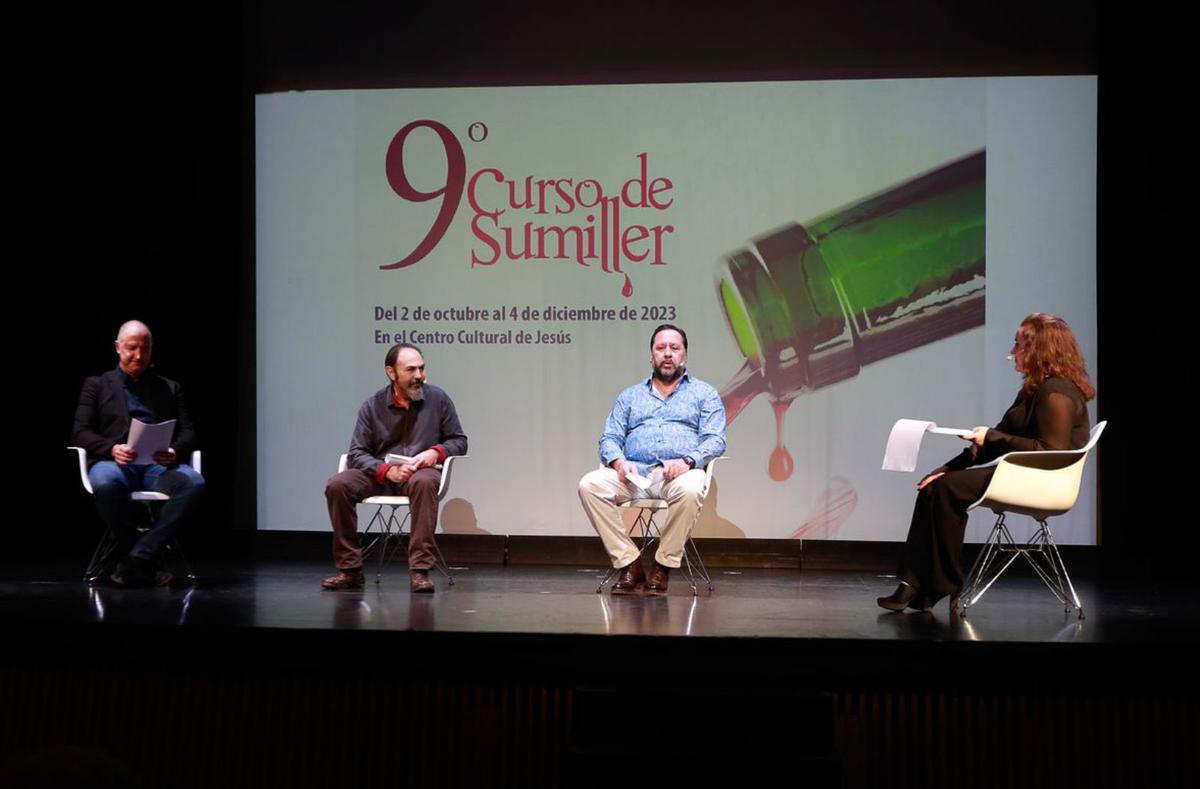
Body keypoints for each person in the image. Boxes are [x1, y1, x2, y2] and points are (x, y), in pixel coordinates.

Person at [878, 313, 1095, 612]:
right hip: (1021, 473)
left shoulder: (1056, 393)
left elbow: (1048, 451)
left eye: (1018, 344)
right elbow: (996, 441)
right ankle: (914, 584)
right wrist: (947, 468)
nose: (1012, 353)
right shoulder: (1034, 391)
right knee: (936, 486)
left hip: (1043, 481)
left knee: (947, 491)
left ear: (1039, 349)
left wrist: (992, 437)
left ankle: (941, 585)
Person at [579, 324, 726, 595]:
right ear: (651, 356)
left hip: (679, 474)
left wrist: (688, 461)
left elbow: (715, 440)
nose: (667, 354)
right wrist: (619, 462)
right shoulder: (630, 396)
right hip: (635, 476)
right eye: (661, 348)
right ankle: (629, 562)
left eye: (674, 348)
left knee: (692, 487)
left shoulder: (704, 394)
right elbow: (608, 439)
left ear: (685, 355)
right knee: (590, 484)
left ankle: (663, 564)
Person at [321, 343, 468, 593]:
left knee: (424, 482)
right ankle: (350, 569)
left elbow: (459, 441)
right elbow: (357, 452)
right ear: (391, 373)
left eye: (422, 368)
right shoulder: (372, 406)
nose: (419, 376)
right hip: (380, 475)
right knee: (337, 485)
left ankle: (420, 571)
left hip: (419, 474)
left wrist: (435, 452)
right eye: (411, 370)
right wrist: (385, 471)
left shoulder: (438, 399)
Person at [71, 320, 205, 586]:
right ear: (118, 348)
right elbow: (80, 432)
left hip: (157, 466)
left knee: (194, 483)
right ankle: (146, 559)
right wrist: (111, 448)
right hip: (114, 463)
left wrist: (174, 450)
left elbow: (189, 431)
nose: (139, 356)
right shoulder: (97, 385)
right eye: (132, 348)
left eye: (145, 349)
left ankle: (137, 558)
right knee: (106, 483)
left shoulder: (169, 387)